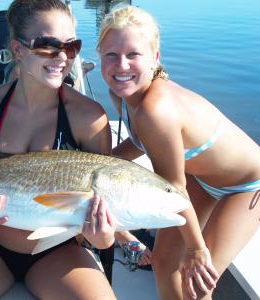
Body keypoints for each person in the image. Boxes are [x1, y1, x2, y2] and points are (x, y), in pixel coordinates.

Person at [0, 1, 117, 299]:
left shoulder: (89, 120)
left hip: (58, 251)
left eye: (71, 46)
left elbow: (99, 218)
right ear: (18, 50)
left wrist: (104, 237)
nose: (62, 57)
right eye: (47, 46)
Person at [97, 4, 260, 300]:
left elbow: (173, 188)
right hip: (201, 181)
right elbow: (141, 140)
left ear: (154, 58)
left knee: (196, 281)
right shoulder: (126, 95)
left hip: (246, 187)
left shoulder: (155, 110)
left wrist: (197, 250)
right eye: (111, 55)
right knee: (163, 263)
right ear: (100, 57)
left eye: (133, 54)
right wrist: (100, 163)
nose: (121, 65)